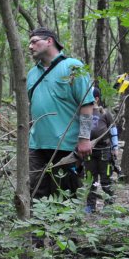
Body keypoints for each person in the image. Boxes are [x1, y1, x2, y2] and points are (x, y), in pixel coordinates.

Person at [26, 26, 95, 200]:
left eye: (34, 42)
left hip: (66, 146)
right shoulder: (32, 74)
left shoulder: (73, 67)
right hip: (37, 145)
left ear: (49, 41)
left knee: (64, 196)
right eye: (29, 43)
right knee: (36, 194)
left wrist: (84, 138)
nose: (30, 46)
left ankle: (66, 228)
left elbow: (86, 104)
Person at [83, 87, 117, 214]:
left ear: (96, 98)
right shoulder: (84, 112)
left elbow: (113, 130)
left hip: (104, 150)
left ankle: (109, 204)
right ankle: (90, 206)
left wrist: (115, 148)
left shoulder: (104, 113)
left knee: (105, 178)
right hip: (89, 151)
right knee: (90, 179)